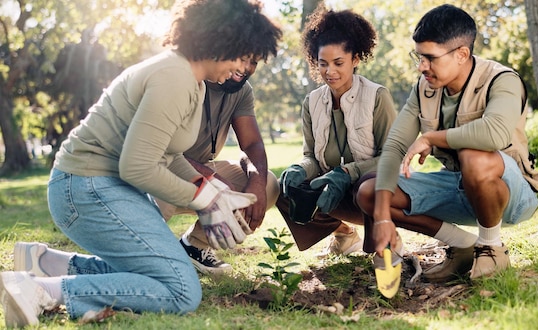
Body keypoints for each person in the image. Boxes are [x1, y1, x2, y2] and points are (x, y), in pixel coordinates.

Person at [0, 0, 281, 327]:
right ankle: (38, 291)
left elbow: (168, 155)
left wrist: (213, 192)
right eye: (242, 55)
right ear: (221, 41)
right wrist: (207, 200)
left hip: (98, 187)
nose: (243, 68)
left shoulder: (193, 80)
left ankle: (47, 263)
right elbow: (137, 167)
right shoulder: (174, 76)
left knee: (158, 270)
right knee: (181, 290)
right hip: (84, 188)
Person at [356, 4, 538, 282]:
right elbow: (394, 146)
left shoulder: (502, 80)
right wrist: (382, 218)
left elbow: (495, 133)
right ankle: (462, 244)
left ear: (462, 54)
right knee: (370, 193)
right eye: (418, 57)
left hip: (511, 193)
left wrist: (432, 137)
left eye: (430, 58)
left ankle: (491, 248)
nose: (421, 67)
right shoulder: (424, 88)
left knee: (474, 154)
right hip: (457, 186)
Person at [277, 6, 399, 258]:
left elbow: (392, 158)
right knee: (285, 187)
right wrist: (301, 169)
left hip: (369, 193)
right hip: (331, 193)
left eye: (338, 63)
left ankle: (387, 243)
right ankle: (343, 235)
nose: (329, 72)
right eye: (323, 64)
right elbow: (311, 156)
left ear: (355, 59)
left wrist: (348, 172)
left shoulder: (377, 96)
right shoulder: (311, 102)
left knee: (370, 184)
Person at [155, 54, 281, 275]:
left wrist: (256, 182)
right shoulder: (185, 79)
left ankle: (194, 247)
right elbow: (163, 151)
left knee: (268, 183)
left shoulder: (242, 90)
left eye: (254, 62)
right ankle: (137, 259)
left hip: (199, 171)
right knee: (159, 195)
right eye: (242, 58)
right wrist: (215, 181)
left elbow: (252, 144)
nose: (247, 68)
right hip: (158, 169)